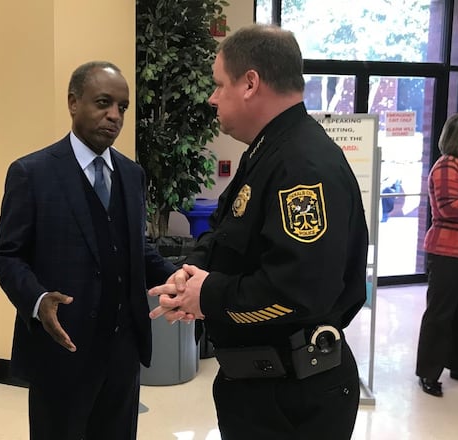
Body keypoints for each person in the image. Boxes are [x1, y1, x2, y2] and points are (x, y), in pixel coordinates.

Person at [148, 24, 368, 440]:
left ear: (250, 83)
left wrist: (208, 296)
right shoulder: (269, 151)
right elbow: (224, 230)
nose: (212, 97)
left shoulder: (302, 165)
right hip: (262, 388)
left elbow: (298, 291)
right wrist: (193, 273)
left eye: (219, 85)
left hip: (292, 399)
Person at [0, 61, 176, 440]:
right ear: (73, 102)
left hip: (123, 351)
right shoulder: (32, 172)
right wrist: (38, 299)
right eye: (103, 103)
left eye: (122, 107)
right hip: (62, 350)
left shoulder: (130, 174)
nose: (114, 116)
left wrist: (178, 278)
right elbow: (7, 256)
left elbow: (135, 250)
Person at [416, 112, 458, 397]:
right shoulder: (447, 167)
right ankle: (429, 372)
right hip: (448, 249)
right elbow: (448, 208)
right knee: (440, 312)